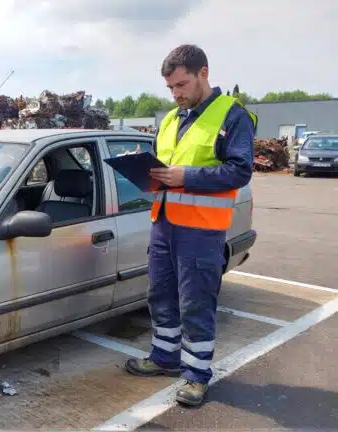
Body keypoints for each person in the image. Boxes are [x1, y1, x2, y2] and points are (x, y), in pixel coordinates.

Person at [124, 44, 257, 406]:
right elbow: (164, 167)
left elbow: (240, 170)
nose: (176, 94)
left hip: (201, 229)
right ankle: (165, 357)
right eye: (170, 88)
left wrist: (188, 175)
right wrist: (146, 171)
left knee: (196, 301)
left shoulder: (232, 115)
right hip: (164, 224)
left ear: (203, 73)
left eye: (181, 85)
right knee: (160, 295)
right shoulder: (170, 119)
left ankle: (196, 375)